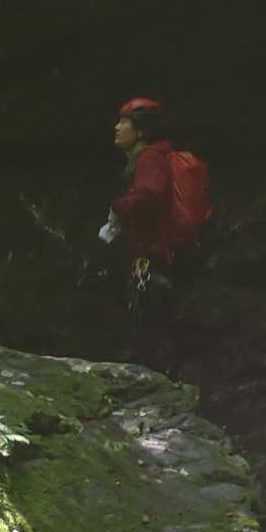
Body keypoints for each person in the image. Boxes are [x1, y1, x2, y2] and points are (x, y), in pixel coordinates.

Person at [99, 97, 177, 359]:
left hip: (151, 256)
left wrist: (118, 206)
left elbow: (150, 196)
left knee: (148, 326)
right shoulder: (147, 158)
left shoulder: (150, 159)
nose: (117, 127)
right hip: (151, 254)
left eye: (124, 122)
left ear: (141, 131)